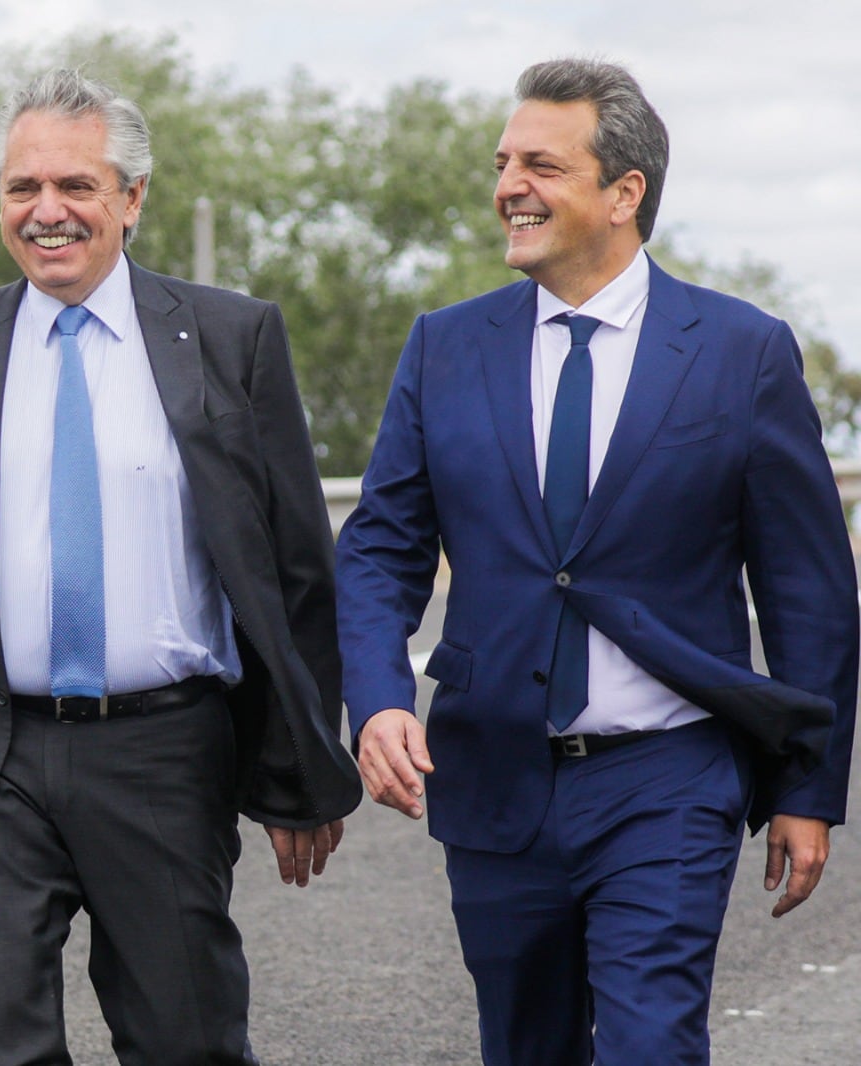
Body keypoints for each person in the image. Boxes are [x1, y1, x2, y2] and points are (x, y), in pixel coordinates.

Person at [0, 68, 360, 1064]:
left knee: (185, 1039)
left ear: (132, 197)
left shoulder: (231, 338)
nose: (48, 211)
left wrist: (300, 771)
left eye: (76, 185)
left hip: (164, 751)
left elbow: (296, 574)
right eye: (22, 187)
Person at [336, 57, 858, 1064]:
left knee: (650, 1043)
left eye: (541, 165)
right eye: (502, 164)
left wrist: (807, 789)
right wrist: (377, 699)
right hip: (494, 775)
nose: (508, 186)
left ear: (625, 193)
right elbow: (378, 551)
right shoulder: (445, 347)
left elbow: (808, 590)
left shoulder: (740, 352)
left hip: (669, 774)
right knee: (526, 1048)